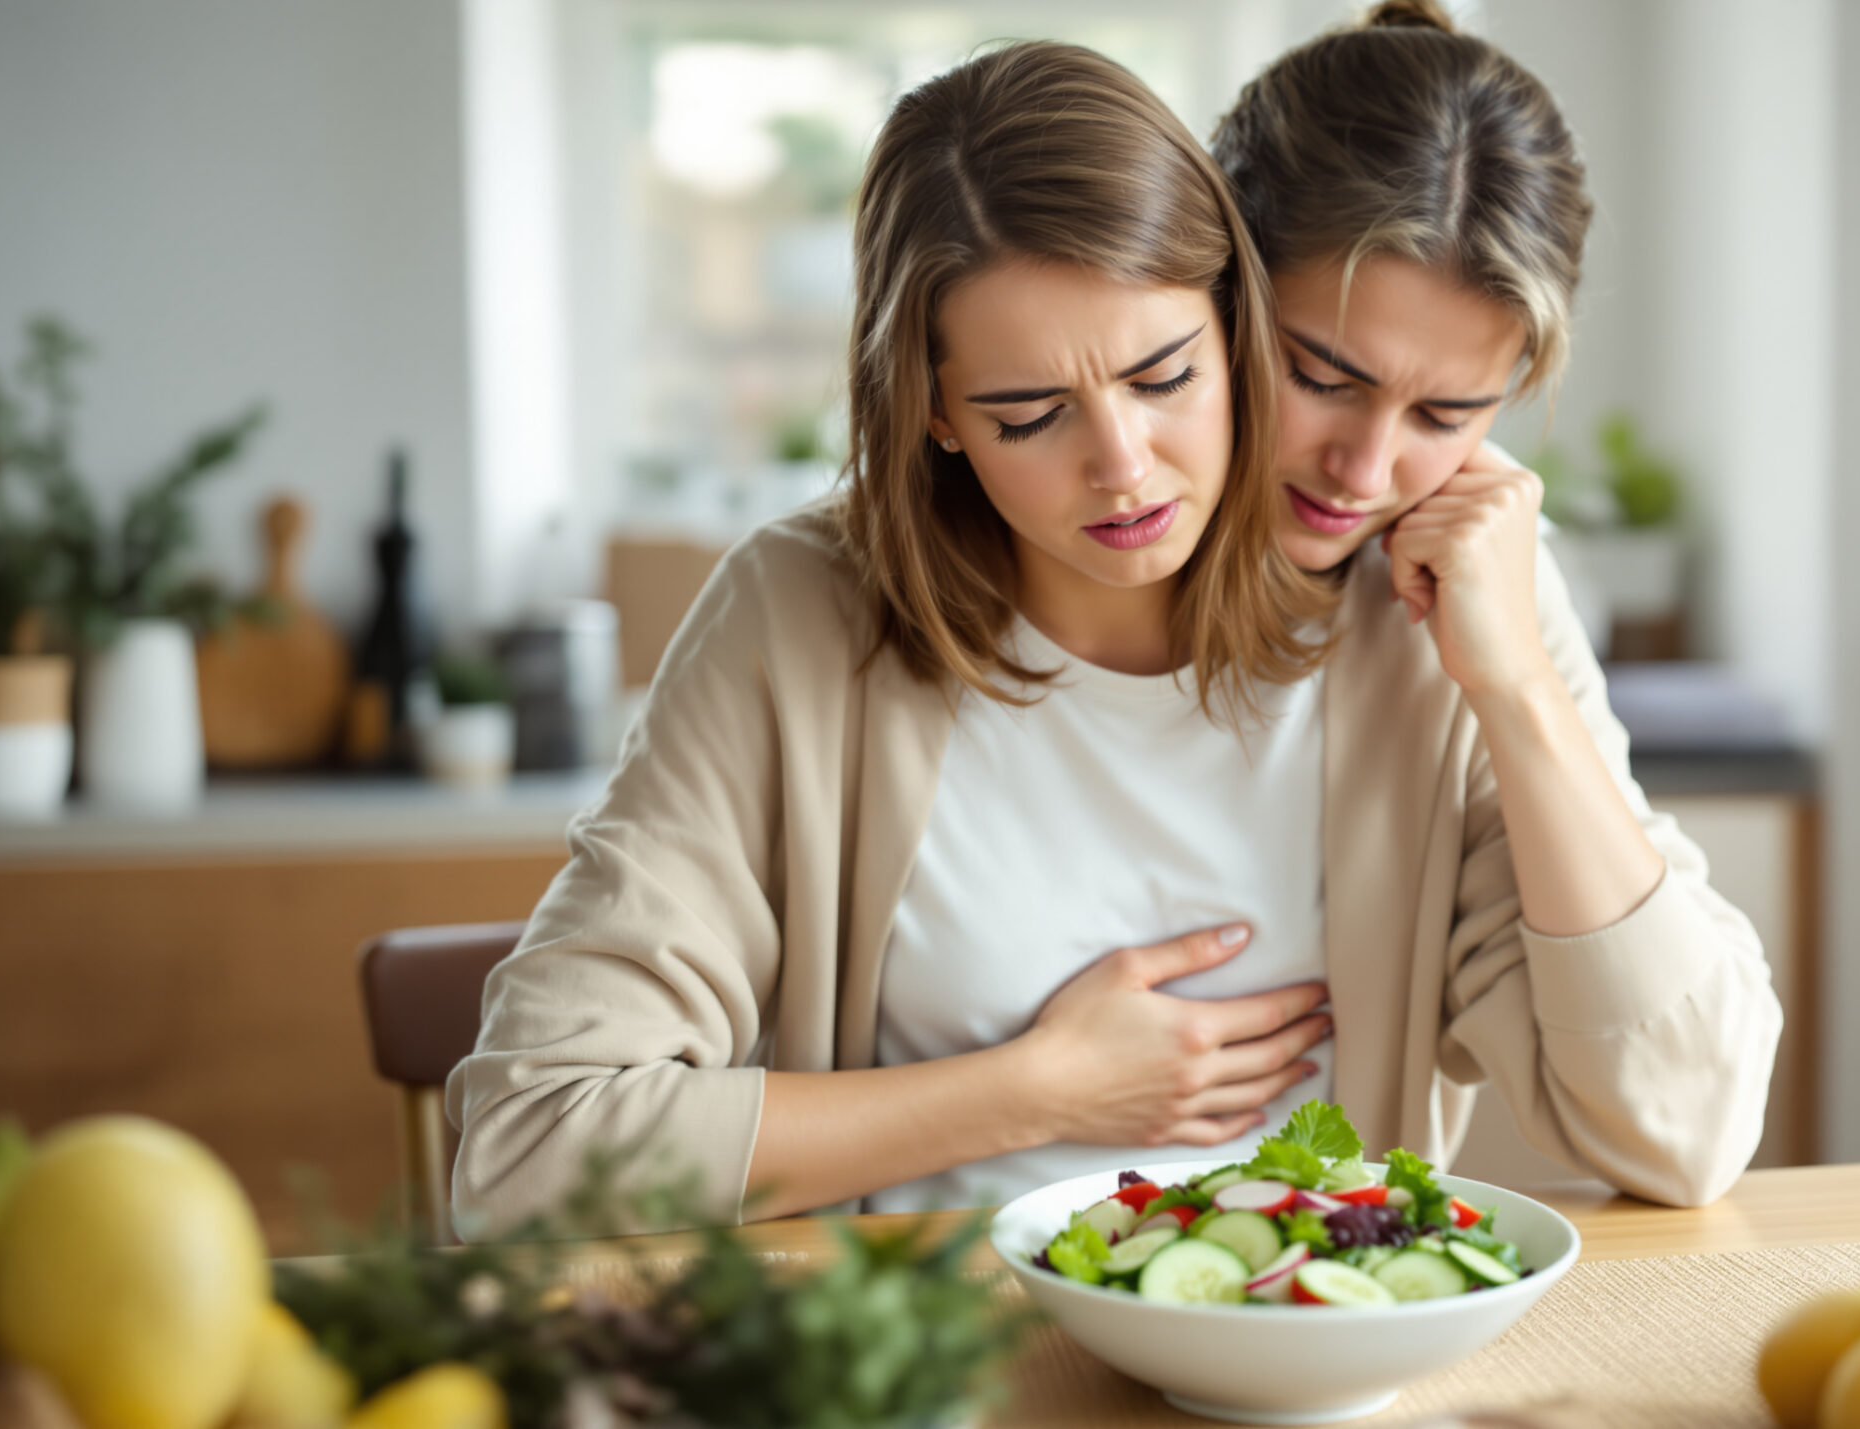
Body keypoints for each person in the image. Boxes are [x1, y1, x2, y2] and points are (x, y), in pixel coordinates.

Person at [451, 41, 1340, 1236]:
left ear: (1238, 327)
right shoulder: (799, 616)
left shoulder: (1398, 607)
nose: (1122, 466)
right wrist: (1032, 1092)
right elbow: (527, 1151)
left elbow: (1677, 1123)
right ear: (930, 411)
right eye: (1028, 413)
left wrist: (1524, 680)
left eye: (1164, 375)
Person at [1209, 0, 1782, 1201]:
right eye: (1322, 376)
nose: (1363, 472)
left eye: (1443, 416)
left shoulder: (1468, 609)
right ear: (1211, 288)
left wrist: (1516, 685)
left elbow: (1681, 1131)